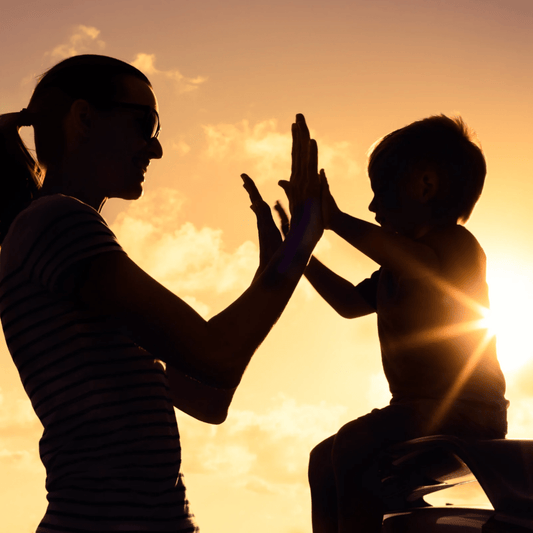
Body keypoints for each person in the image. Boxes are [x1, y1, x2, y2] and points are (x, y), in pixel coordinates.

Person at [0, 54, 323, 532]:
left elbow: (207, 399)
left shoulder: (62, 236)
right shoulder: (58, 224)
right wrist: (299, 243)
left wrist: (271, 271)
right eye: (144, 123)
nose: (156, 149)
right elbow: (216, 355)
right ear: (84, 119)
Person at [300, 115, 508, 533]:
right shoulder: (391, 272)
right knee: (323, 459)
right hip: (414, 413)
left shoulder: (456, 245)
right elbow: (346, 303)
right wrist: (295, 250)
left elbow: (419, 268)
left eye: (380, 192)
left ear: (424, 185)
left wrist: (335, 219)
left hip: (469, 412)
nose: (373, 208)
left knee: (354, 442)